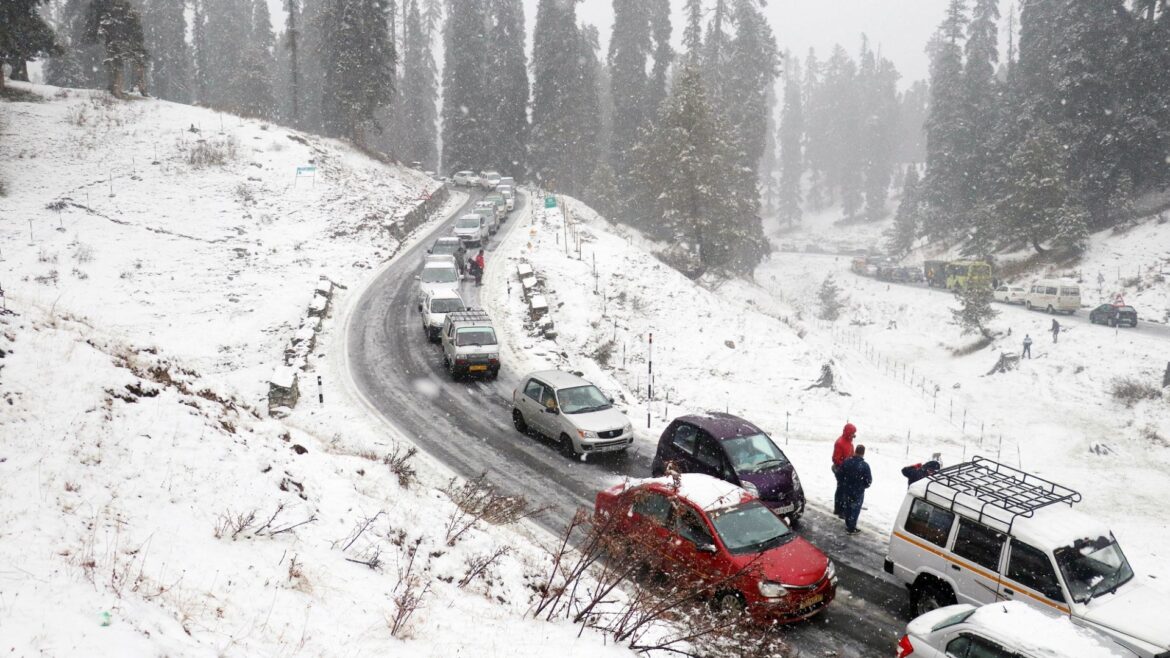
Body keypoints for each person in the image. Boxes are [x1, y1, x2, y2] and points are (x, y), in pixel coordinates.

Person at [840, 445, 872, 535]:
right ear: (863, 453)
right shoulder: (865, 466)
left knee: (848, 506)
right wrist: (863, 486)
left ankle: (848, 523)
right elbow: (869, 480)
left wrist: (844, 483)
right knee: (855, 509)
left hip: (847, 489)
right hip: (858, 491)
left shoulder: (847, 462)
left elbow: (840, 474)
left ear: (855, 451)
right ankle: (851, 527)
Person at [831, 423, 856, 518]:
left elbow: (851, 455)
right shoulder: (840, 443)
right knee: (843, 490)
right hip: (841, 470)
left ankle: (838, 509)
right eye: (853, 433)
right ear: (848, 433)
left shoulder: (849, 442)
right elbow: (835, 459)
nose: (854, 436)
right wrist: (846, 466)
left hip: (846, 470)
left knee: (841, 489)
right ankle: (841, 511)